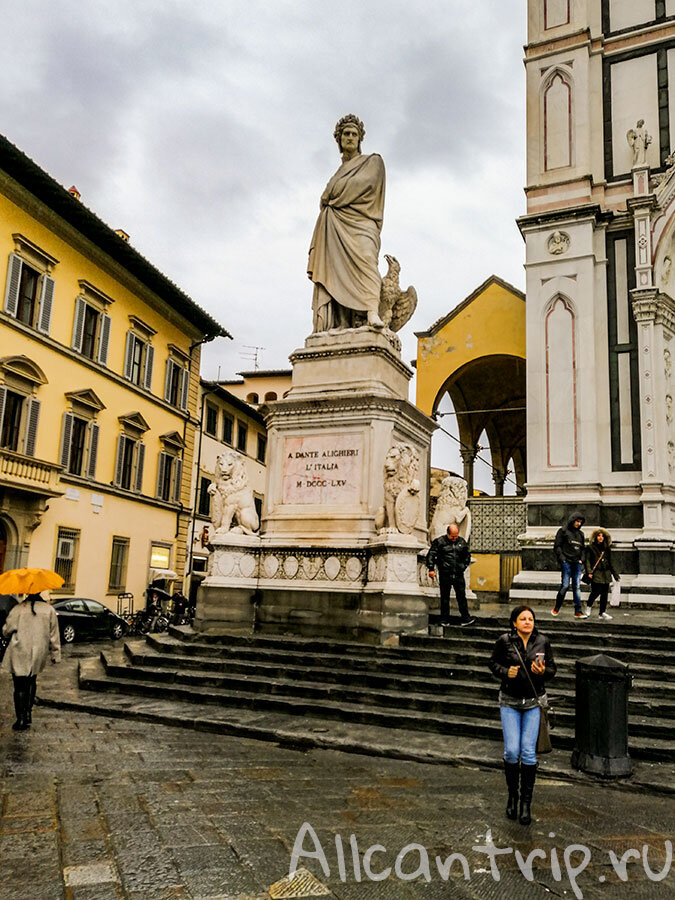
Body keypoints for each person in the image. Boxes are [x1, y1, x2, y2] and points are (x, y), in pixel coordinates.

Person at [308, 114, 386, 332]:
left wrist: (332, 195)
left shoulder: (373, 162)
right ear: (339, 140)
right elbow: (325, 199)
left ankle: (372, 310)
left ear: (360, 138)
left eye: (354, 134)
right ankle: (341, 323)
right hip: (335, 226)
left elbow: (364, 184)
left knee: (367, 260)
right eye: (346, 134)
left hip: (362, 223)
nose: (350, 137)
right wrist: (330, 196)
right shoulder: (337, 173)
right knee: (334, 270)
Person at [489, 605, 557, 825]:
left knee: (528, 752)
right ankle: (512, 797)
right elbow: (493, 663)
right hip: (509, 701)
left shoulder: (543, 641)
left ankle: (526, 804)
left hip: (533, 702)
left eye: (531, 618)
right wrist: (505, 672)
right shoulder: (504, 641)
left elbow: (553, 670)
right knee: (512, 751)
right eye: (523, 618)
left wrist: (543, 672)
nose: (528, 622)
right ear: (514, 623)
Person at [1, 592, 60, 731]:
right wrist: (55, 654)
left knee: (19, 684)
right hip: (39, 651)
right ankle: (28, 713)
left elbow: (6, 630)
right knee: (32, 680)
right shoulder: (49, 610)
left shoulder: (18, 609)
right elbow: (54, 634)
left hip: (20, 650)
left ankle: (20, 719)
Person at [427, 523, 475, 626]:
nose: (454, 538)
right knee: (445, 597)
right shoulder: (440, 542)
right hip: (445, 573)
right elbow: (431, 554)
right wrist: (431, 568)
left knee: (461, 596)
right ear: (448, 534)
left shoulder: (461, 542)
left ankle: (465, 618)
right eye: (452, 536)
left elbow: (467, 555)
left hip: (458, 573)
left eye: (456, 535)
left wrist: (463, 566)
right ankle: (444, 619)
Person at [552, 512, 587, 618]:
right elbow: (557, 546)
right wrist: (562, 559)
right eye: (577, 521)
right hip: (566, 561)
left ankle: (578, 610)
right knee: (565, 586)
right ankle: (557, 607)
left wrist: (582, 560)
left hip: (576, 562)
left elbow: (582, 548)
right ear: (572, 520)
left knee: (577, 587)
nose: (578, 524)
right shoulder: (563, 531)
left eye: (580, 522)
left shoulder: (580, 534)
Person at [584, 529, 620, 620]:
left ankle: (602, 612)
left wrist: (615, 575)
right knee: (596, 591)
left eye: (602, 536)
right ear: (595, 537)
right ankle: (588, 606)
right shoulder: (590, 548)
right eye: (599, 536)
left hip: (606, 573)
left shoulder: (607, 549)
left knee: (604, 593)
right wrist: (589, 572)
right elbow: (587, 561)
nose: (601, 538)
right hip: (596, 573)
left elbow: (611, 562)